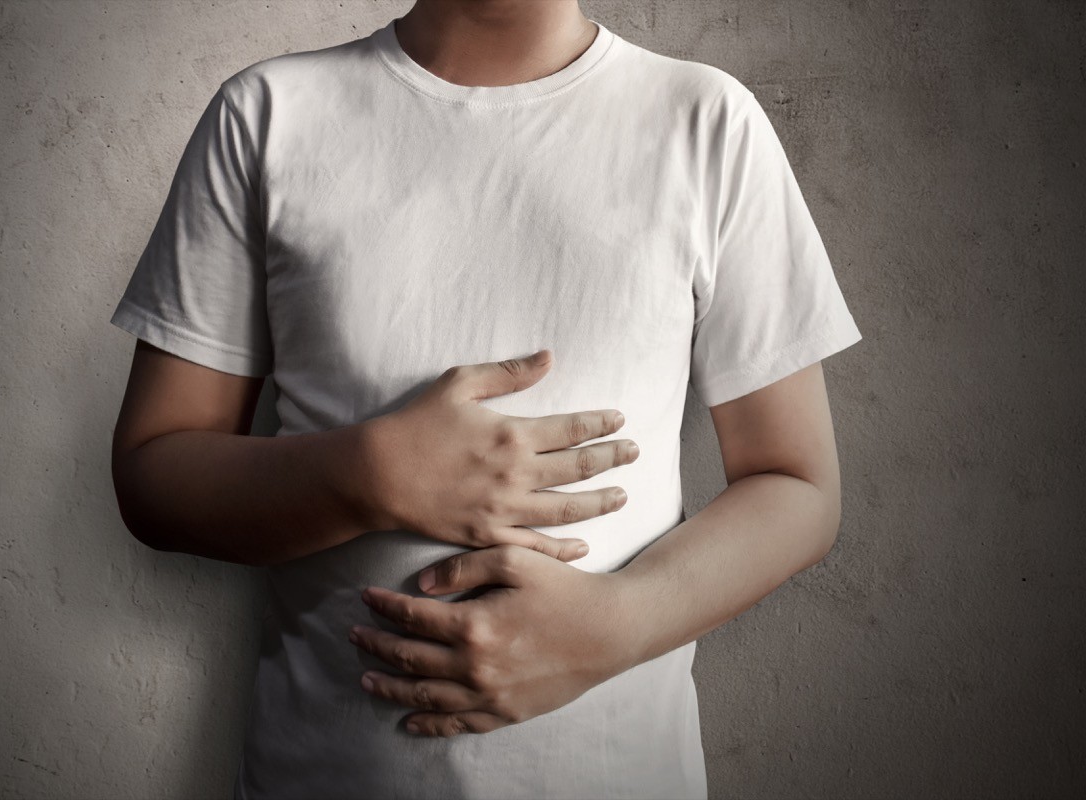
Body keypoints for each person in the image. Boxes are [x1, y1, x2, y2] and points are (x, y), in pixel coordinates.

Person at [108, 0, 863, 797]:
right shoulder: (266, 115)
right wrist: (366, 474)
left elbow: (797, 485)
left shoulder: (707, 123)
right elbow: (153, 476)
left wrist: (621, 621)